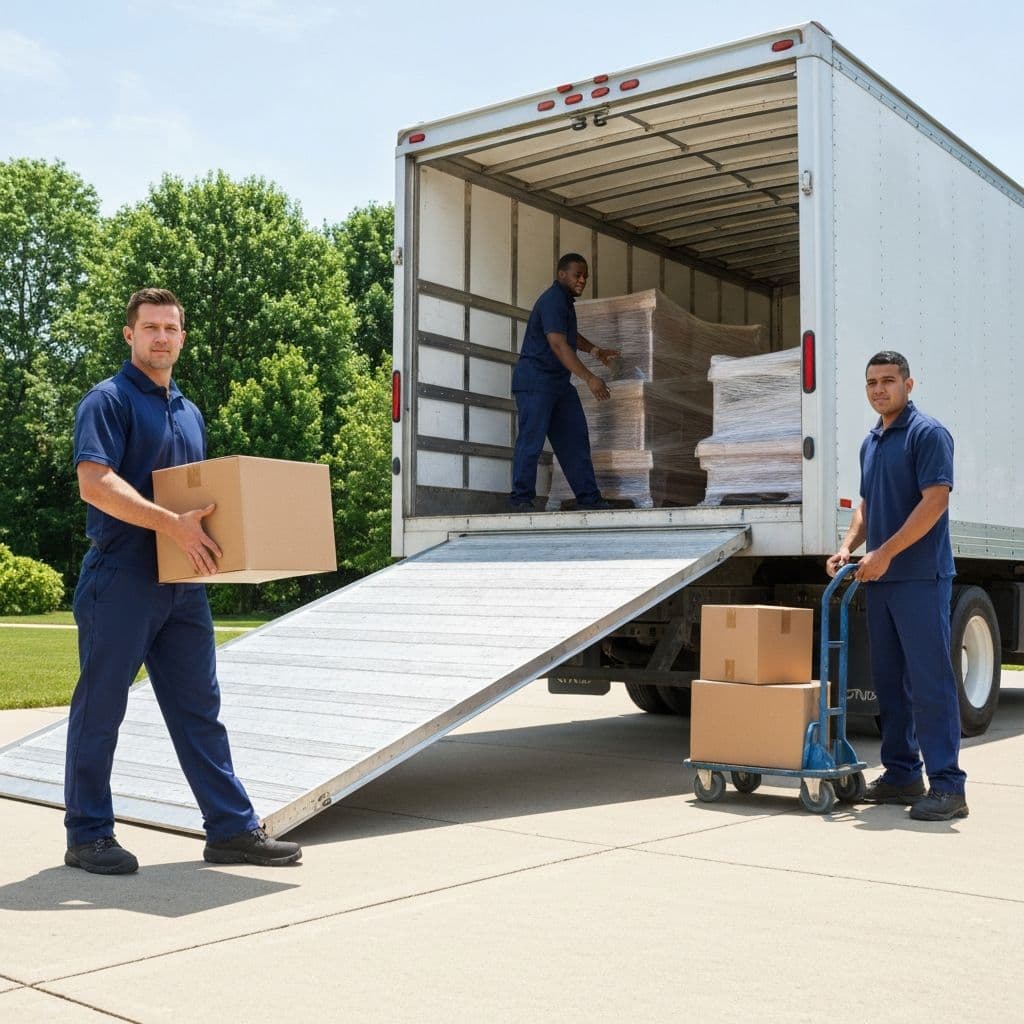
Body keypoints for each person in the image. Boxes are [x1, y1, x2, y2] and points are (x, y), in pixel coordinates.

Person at [65, 287, 302, 873]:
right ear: (129, 334)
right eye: (150, 328)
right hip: (121, 577)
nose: (161, 337)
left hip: (183, 583)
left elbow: (197, 500)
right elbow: (95, 484)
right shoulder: (109, 401)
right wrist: (171, 525)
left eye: (171, 328)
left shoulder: (188, 411)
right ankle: (88, 835)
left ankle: (230, 829)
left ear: (182, 337)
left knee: (200, 708)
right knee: (101, 709)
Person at [827, 351, 967, 821]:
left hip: (920, 578)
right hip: (881, 580)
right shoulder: (872, 441)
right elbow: (867, 504)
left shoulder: (927, 433)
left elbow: (935, 502)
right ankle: (903, 774)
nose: (879, 390)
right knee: (889, 684)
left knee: (930, 683)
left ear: (909, 383)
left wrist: (885, 553)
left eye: (888, 381)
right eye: (871, 383)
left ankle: (949, 787)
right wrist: (849, 546)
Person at [509, 253, 618, 511]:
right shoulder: (553, 299)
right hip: (536, 381)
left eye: (585, 276)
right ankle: (521, 499)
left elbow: (569, 335)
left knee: (574, 440)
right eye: (577, 274)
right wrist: (589, 377)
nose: (582, 280)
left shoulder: (565, 302)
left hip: (558, 384)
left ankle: (589, 499)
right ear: (562, 274)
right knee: (531, 441)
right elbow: (558, 344)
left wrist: (595, 351)